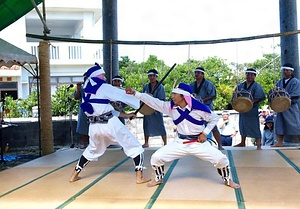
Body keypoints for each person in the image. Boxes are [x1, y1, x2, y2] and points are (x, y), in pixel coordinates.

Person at [125, 83, 240, 189]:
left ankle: (227, 180)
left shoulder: (199, 109)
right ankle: (158, 178)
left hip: (198, 143)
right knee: (156, 157)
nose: (173, 96)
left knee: (221, 159)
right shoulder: (171, 108)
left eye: (175, 94)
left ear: (183, 96)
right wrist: (136, 93)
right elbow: (153, 102)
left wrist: (204, 133)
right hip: (179, 142)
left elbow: (214, 118)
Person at [69, 63, 150, 184]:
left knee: (91, 150)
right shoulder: (103, 87)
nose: (105, 77)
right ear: (97, 75)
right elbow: (122, 95)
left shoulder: (86, 91)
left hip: (94, 127)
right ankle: (139, 177)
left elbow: (103, 108)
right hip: (110, 125)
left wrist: (127, 115)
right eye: (103, 75)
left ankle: (74, 175)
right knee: (135, 147)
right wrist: (144, 98)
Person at [190, 67, 224, 150]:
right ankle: (197, 145)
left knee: (213, 127)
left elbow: (213, 95)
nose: (196, 74)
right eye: (195, 73)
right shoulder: (192, 84)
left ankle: (220, 145)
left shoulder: (208, 84)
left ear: (202, 74)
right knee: (195, 127)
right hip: (196, 109)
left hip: (206, 107)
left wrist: (203, 100)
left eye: (198, 73)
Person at [233, 68, 266, 150]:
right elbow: (235, 96)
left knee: (255, 126)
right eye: (248, 74)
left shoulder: (257, 86)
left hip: (252, 109)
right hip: (242, 109)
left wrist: (250, 102)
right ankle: (242, 142)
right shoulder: (240, 85)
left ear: (254, 76)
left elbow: (261, 97)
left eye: (251, 74)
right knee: (242, 125)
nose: (249, 76)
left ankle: (259, 145)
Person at [272, 64, 300, 147]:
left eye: (287, 70)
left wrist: (285, 97)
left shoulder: (295, 81)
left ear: (291, 71)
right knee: (280, 124)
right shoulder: (280, 82)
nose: (285, 71)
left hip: (291, 106)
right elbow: (276, 91)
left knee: (295, 124)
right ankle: (280, 142)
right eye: (284, 70)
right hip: (281, 106)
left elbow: (296, 93)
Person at [141, 69, 167, 148]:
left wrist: (154, 102)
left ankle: (165, 143)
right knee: (146, 125)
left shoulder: (160, 87)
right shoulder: (146, 86)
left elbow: (162, 98)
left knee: (160, 126)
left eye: (153, 76)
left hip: (157, 109)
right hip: (147, 109)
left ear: (156, 77)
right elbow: (142, 97)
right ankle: (146, 142)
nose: (151, 77)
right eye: (150, 76)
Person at [73, 77, 89, 149]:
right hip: (83, 109)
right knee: (82, 126)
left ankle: (93, 144)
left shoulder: (95, 87)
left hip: (94, 109)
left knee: (93, 126)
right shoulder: (82, 88)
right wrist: (78, 88)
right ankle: (85, 144)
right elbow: (76, 97)